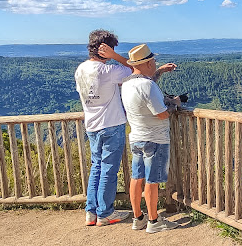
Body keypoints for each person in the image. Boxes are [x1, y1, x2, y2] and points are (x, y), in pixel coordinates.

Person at [75, 29, 132, 226]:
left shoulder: (80, 69)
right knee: (109, 169)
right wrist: (115, 57)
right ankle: (106, 213)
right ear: (105, 49)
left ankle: (91, 212)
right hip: (112, 124)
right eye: (112, 48)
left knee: (97, 167)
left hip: (92, 125)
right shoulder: (108, 71)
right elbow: (134, 69)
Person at [121, 44, 180, 233]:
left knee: (136, 178)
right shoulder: (148, 86)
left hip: (136, 137)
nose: (155, 63)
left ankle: (138, 217)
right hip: (154, 139)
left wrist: (160, 71)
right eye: (153, 61)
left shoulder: (127, 83)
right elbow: (161, 114)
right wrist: (175, 105)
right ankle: (154, 221)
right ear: (147, 63)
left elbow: (144, 83)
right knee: (152, 181)